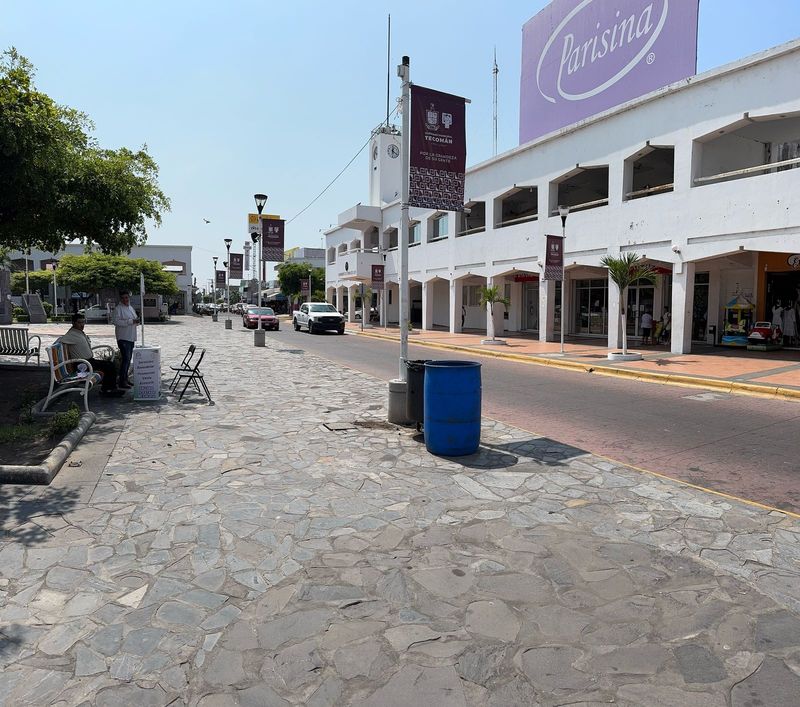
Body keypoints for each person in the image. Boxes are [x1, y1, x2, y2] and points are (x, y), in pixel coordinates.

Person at [59, 314, 121, 394]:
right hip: (82, 365)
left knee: (109, 364)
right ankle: (108, 390)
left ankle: (107, 389)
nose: (82, 325)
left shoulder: (79, 332)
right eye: (79, 322)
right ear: (73, 323)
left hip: (89, 361)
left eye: (83, 322)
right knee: (109, 366)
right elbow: (61, 340)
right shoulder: (71, 334)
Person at [113, 292, 139, 389]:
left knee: (128, 360)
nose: (125, 299)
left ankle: (125, 379)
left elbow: (134, 319)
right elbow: (116, 321)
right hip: (123, 338)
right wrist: (130, 321)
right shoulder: (118, 309)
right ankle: (121, 381)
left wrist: (136, 321)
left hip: (131, 337)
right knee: (125, 359)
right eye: (123, 298)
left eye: (126, 297)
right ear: (120, 299)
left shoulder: (130, 308)